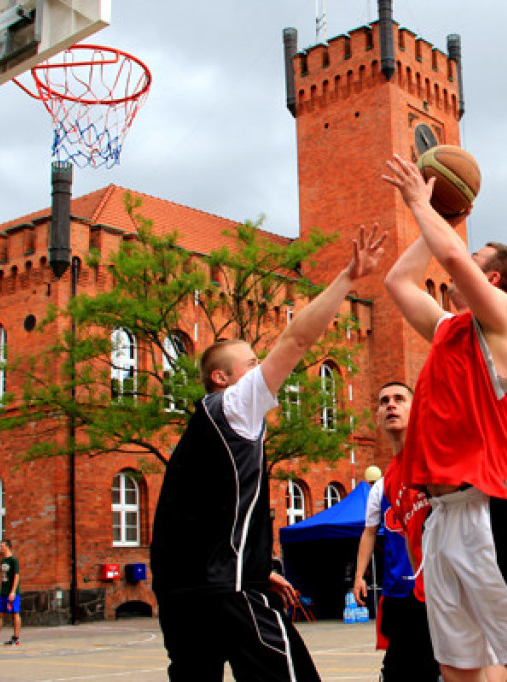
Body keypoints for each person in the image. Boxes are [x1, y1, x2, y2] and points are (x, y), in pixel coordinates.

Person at [150, 226, 385, 681]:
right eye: (251, 364)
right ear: (222, 378)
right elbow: (296, 341)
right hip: (227, 590)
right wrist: (347, 279)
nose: (261, 369)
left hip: (183, 594)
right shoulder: (233, 406)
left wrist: (257, 568)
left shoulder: (199, 433)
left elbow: (204, 518)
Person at [382, 155, 507, 681]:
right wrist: (443, 213)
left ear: (495, 278)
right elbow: (398, 282)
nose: (460, 250)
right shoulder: (447, 331)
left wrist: (420, 203)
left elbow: (454, 261)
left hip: (492, 510)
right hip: (442, 517)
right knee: (458, 669)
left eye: (474, 252)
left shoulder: (506, 321)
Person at [352, 382, 440, 681]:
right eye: (384, 401)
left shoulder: (435, 453)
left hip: (459, 588)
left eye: (399, 399)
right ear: (376, 415)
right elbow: (381, 534)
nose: (390, 405)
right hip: (413, 592)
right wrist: (359, 576)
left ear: (416, 410)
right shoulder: (387, 481)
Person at [0, 539, 21, 646]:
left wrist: (13, 591)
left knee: (15, 613)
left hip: (12, 592)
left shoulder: (13, 560)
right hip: (3, 591)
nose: (1, 548)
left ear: (8, 547)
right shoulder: (3, 560)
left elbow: (16, 576)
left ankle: (16, 637)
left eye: (2, 546)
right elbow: (2, 576)